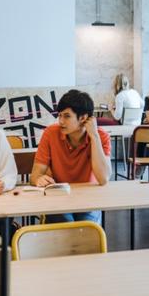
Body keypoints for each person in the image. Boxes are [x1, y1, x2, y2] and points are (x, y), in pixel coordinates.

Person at [31, 89, 111, 223]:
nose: (61, 121)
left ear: (83, 118)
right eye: (59, 115)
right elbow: (34, 176)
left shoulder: (101, 136)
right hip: (58, 197)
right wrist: (39, 179)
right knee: (66, 225)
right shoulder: (50, 134)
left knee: (86, 228)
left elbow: (103, 179)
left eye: (67, 116)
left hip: (88, 199)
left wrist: (94, 136)